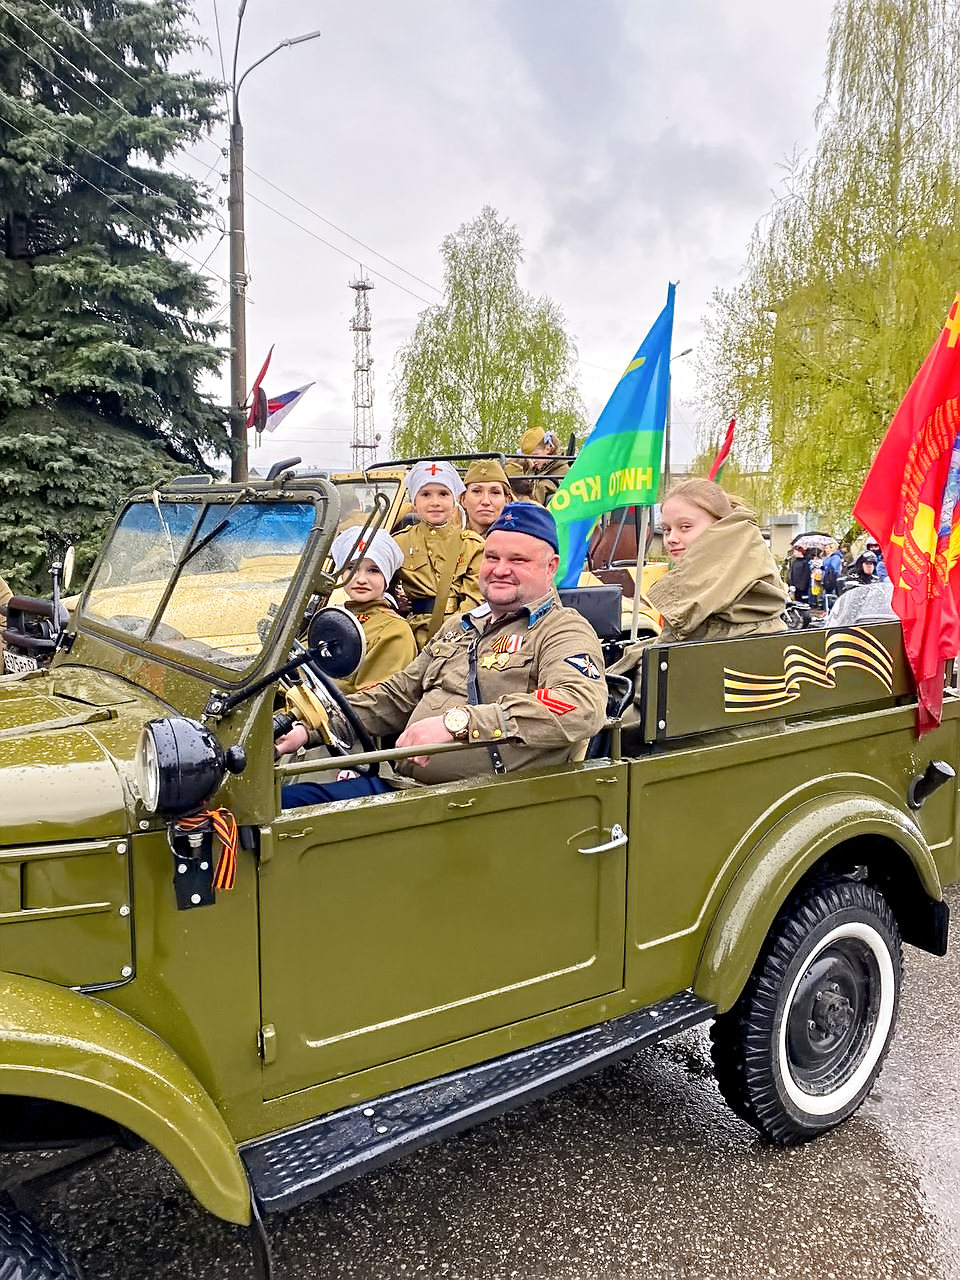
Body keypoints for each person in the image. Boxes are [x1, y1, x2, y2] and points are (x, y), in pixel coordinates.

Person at [277, 503, 607, 804]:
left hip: (488, 805)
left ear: (551, 567)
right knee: (280, 804)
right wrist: (313, 725)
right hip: (407, 789)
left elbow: (580, 704)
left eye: (517, 560)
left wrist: (458, 723)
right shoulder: (461, 626)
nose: (500, 569)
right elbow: (397, 694)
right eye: (492, 558)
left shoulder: (561, 629)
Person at [649, 478, 788, 642]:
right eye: (666, 530)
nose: (671, 538)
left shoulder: (724, 590)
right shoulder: (712, 580)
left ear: (723, 528)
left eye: (685, 527)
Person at [393, 461, 485, 650]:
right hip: (411, 637)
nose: (435, 502)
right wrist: (393, 603)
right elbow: (380, 585)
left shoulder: (471, 545)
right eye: (425, 494)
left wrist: (451, 638)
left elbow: (474, 600)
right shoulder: (399, 543)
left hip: (460, 637)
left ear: (454, 501)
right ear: (414, 502)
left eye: (443, 494)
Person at [324, 528, 416, 694]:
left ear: (386, 576)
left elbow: (373, 703)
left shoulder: (395, 632)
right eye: (351, 568)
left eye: (373, 570)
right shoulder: (333, 617)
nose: (360, 579)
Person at [460, 459, 512, 536]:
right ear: (463, 500)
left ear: (507, 500)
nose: (485, 501)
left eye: (495, 492)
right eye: (477, 491)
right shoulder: (447, 543)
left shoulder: (521, 542)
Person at [519, 426, 569, 506]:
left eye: (535, 455)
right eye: (528, 457)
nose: (532, 460)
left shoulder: (561, 469)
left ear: (548, 449)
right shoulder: (536, 470)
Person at [821, 539, 844, 610]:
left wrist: (826, 568)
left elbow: (834, 568)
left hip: (832, 580)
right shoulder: (828, 557)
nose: (825, 550)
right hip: (827, 579)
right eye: (825, 548)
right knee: (827, 597)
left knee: (832, 597)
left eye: (827, 548)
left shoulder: (835, 557)